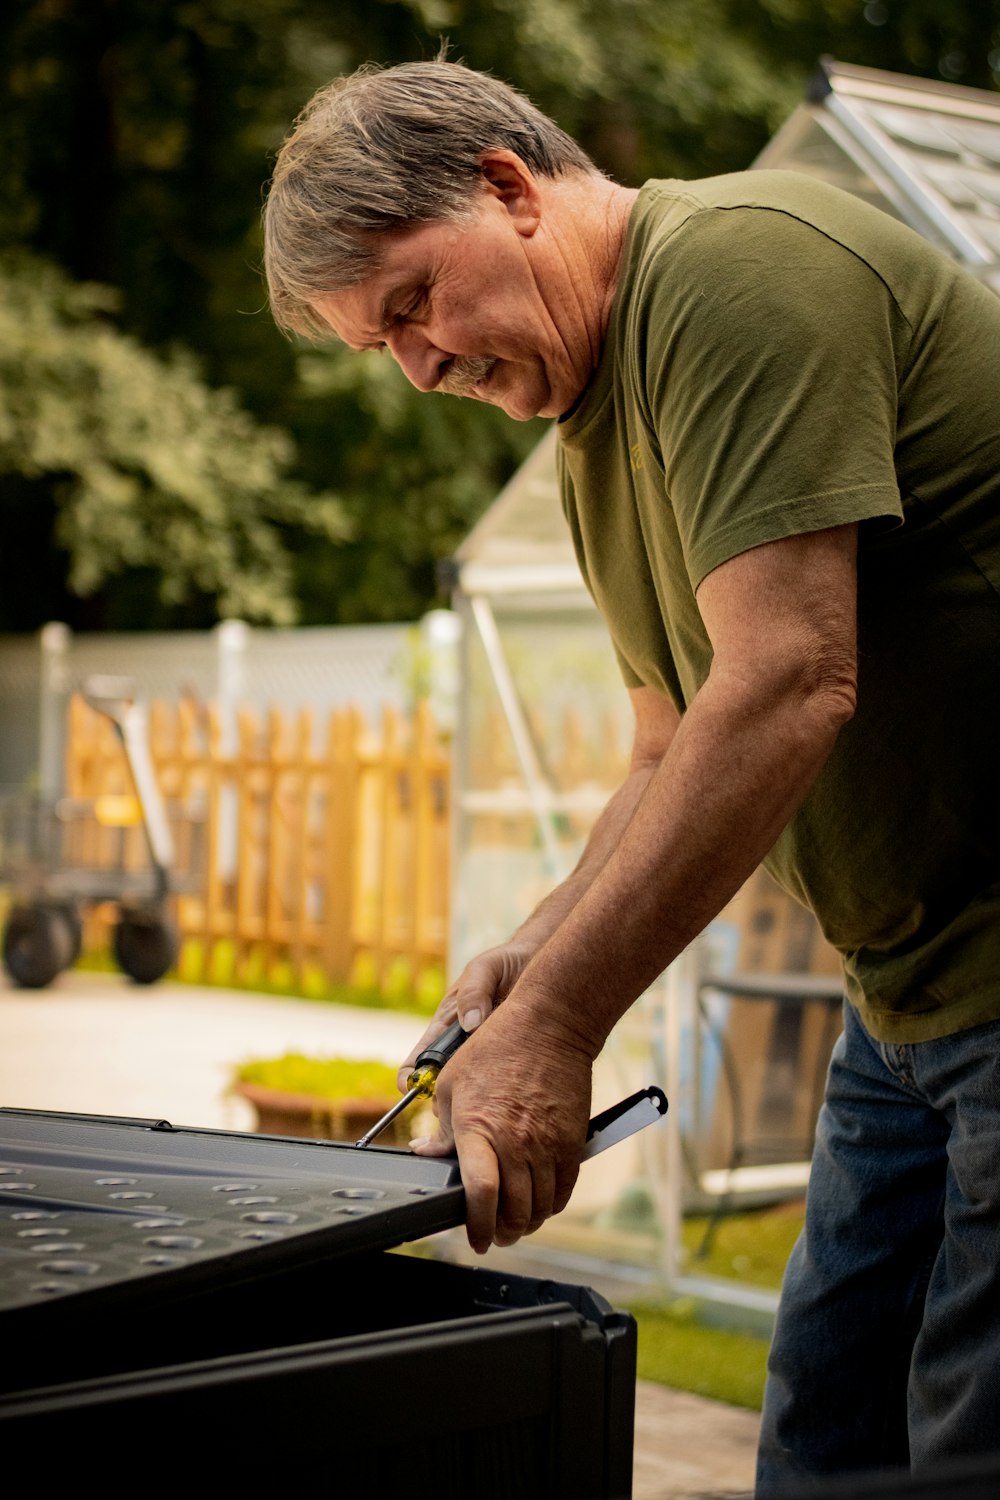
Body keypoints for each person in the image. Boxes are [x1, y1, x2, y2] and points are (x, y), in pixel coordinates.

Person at [262, 57, 1000, 1490]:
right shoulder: (598, 428)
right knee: (824, 1447)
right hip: (905, 1002)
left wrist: (563, 1029)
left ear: (507, 185)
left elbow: (789, 678)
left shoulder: (737, 271)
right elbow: (671, 747)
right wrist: (525, 966)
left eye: (414, 302)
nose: (420, 367)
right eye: (383, 348)